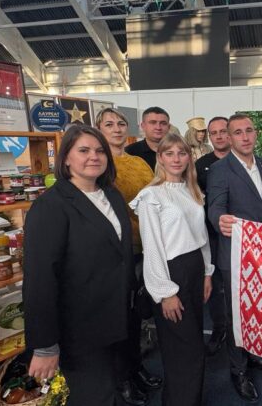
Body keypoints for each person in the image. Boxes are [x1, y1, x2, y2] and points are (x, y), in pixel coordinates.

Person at [24, 125, 135, 406]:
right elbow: (40, 278)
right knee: (93, 397)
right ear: (66, 159)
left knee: (110, 392)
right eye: (83, 150)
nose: (93, 156)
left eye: (99, 151)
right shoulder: (51, 205)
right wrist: (45, 345)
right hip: (80, 329)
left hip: (116, 319)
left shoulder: (111, 195)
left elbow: (120, 254)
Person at [131, 133, 214, 406]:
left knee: (193, 346)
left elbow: (201, 235)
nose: (176, 158)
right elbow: (152, 247)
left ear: (189, 157)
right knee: (184, 349)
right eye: (169, 153)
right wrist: (165, 292)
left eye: (181, 153)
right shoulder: (151, 196)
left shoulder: (192, 191)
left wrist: (207, 272)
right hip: (171, 272)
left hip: (195, 268)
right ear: (160, 158)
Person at [207, 114, 262, 403]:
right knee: (237, 317)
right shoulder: (220, 169)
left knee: (260, 310)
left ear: (256, 133)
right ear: (229, 137)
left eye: (249, 130)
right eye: (237, 132)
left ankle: (256, 355)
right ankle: (238, 370)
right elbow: (214, 207)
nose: (245, 136)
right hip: (235, 255)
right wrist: (219, 220)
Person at [96, 108, 162, 404]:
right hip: (116, 253)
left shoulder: (138, 162)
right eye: (109, 124)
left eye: (121, 123)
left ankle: (136, 369)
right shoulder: (99, 164)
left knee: (136, 316)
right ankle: (121, 378)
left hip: (144, 246)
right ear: (98, 129)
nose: (117, 128)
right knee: (119, 319)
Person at [195, 117, 231, 356]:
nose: (218, 136)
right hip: (211, 236)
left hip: (240, 236)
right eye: (213, 133)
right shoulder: (201, 165)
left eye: (223, 131)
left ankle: (245, 333)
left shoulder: (243, 162)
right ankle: (219, 329)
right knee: (216, 286)